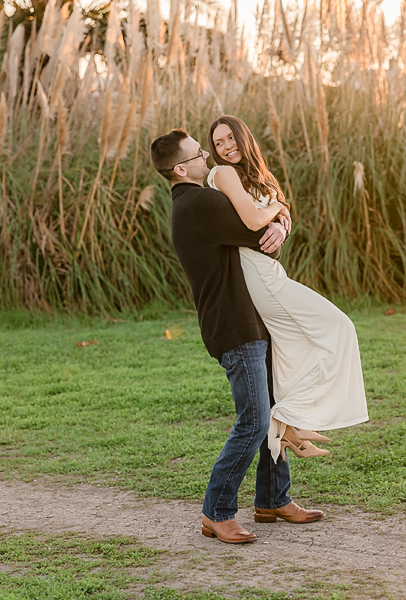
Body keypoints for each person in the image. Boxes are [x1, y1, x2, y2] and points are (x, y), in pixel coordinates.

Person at [150, 128, 324, 545]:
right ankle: (217, 512)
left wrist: (278, 223)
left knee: (272, 412)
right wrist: (280, 212)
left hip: (251, 319)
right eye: (198, 153)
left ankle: (273, 499)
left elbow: (262, 236)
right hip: (234, 325)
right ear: (180, 169)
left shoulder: (198, 201)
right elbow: (260, 236)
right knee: (255, 420)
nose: (207, 156)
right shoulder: (199, 203)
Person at [207, 115, 369, 464]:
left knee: (292, 349)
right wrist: (279, 208)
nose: (226, 147)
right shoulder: (222, 173)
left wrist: (282, 224)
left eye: (230, 138)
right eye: (218, 143)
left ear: (243, 136)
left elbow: (272, 223)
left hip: (268, 269)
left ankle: (289, 427)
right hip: (259, 274)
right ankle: (284, 417)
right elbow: (254, 220)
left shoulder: (257, 175)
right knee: (339, 327)